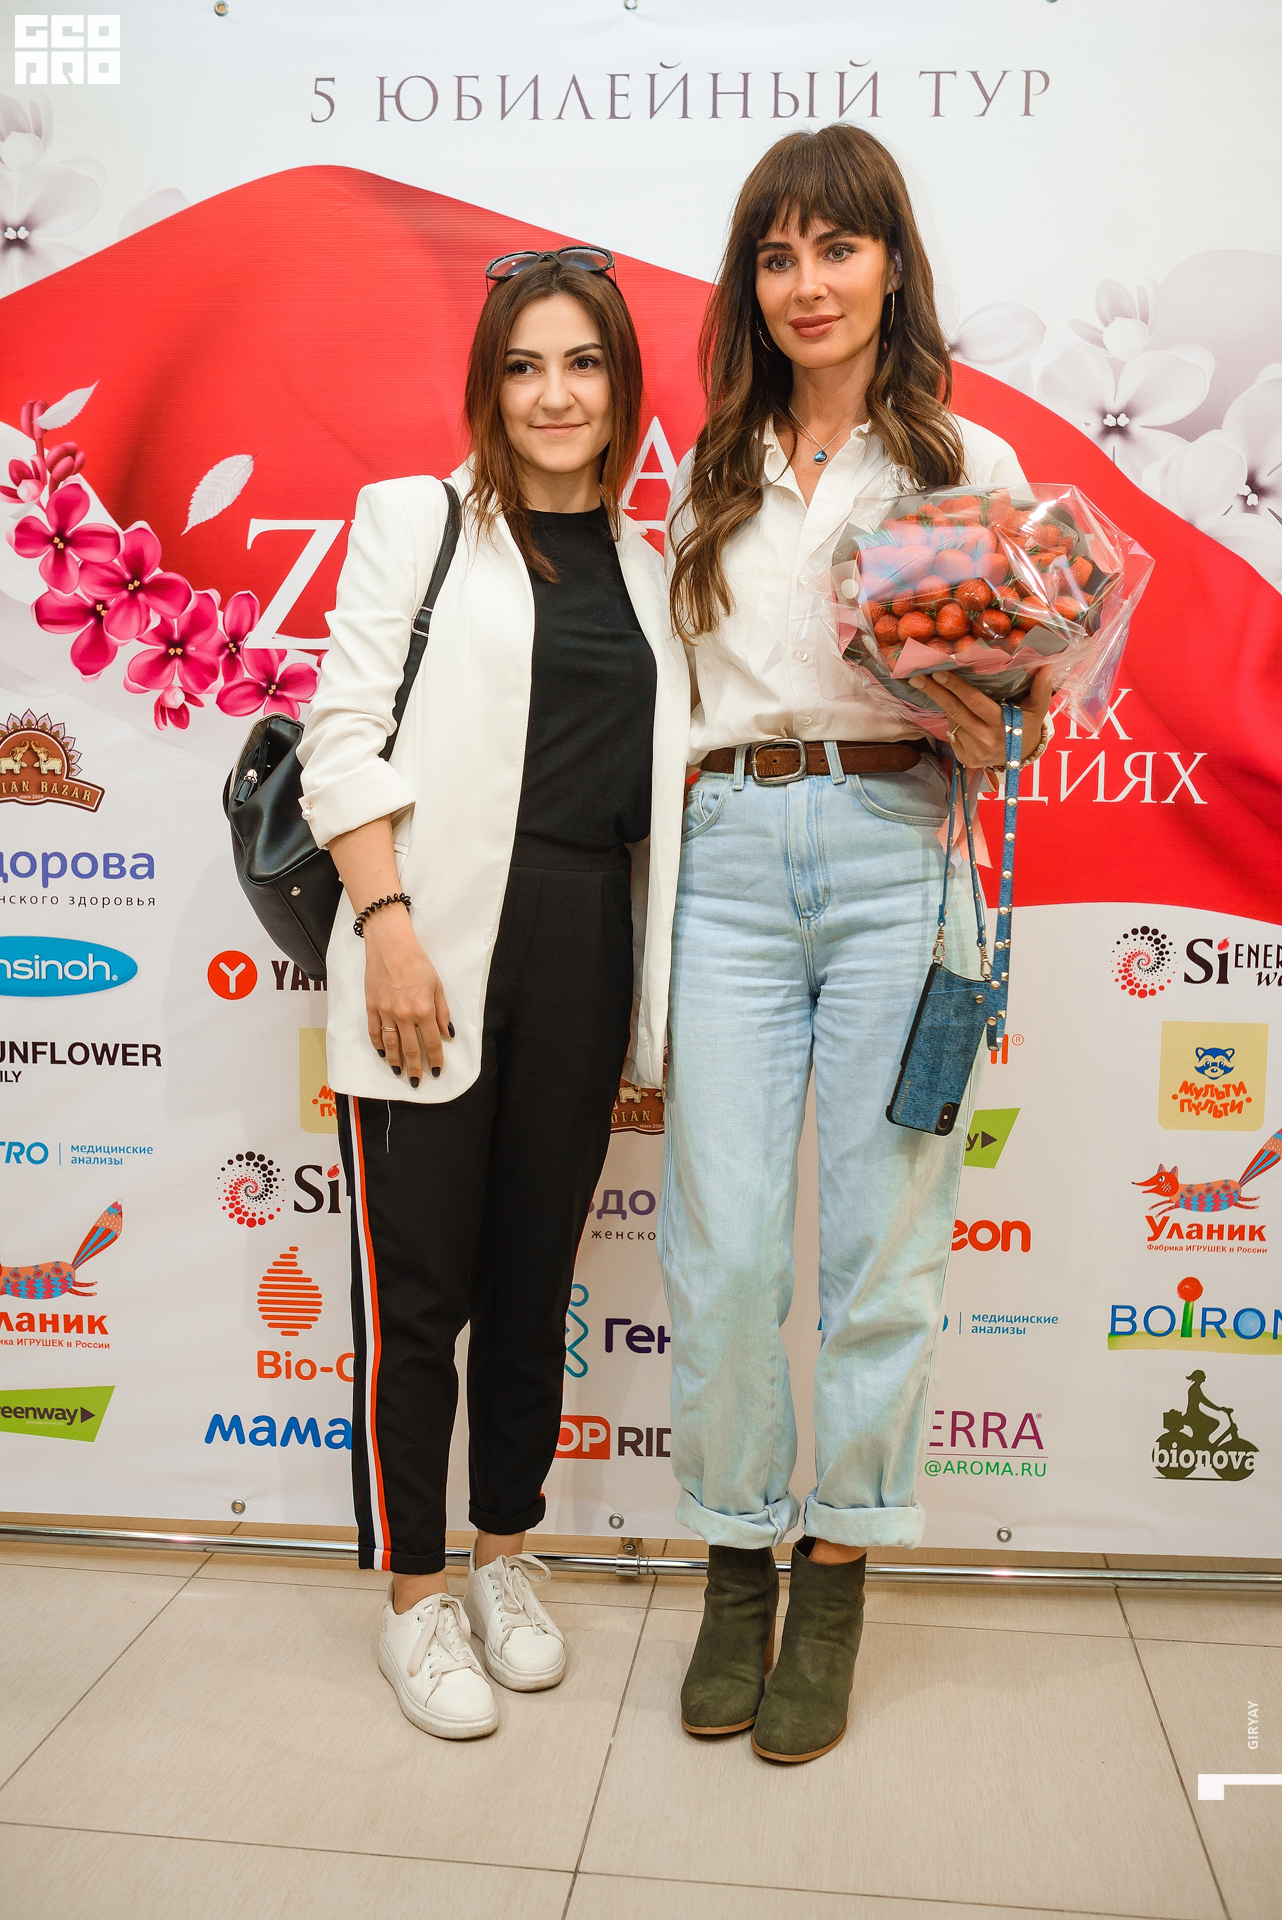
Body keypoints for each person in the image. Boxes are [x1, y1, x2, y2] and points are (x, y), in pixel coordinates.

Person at [659, 125, 1054, 1765]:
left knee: (880, 1252)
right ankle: (732, 1557)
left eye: (837, 247)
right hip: (729, 863)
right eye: (776, 255)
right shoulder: (710, 462)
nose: (806, 284)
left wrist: (1000, 714)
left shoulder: (961, 460)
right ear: (748, 282)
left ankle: (836, 1571)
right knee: (724, 1253)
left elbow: (1020, 701)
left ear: (891, 262)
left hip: (899, 856)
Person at [297, 248, 689, 1741]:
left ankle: (505, 1556)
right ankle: (414, 1596)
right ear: (488, 385)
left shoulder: (656, 571)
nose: (554, 394)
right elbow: (342, 736)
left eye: (582, 363)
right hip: (431, 941)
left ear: (622, 386)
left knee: (533, 1287)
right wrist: (387, 926)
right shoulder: (415, 522)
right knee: (421, 1298)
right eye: (524, 366)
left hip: (586, 936)